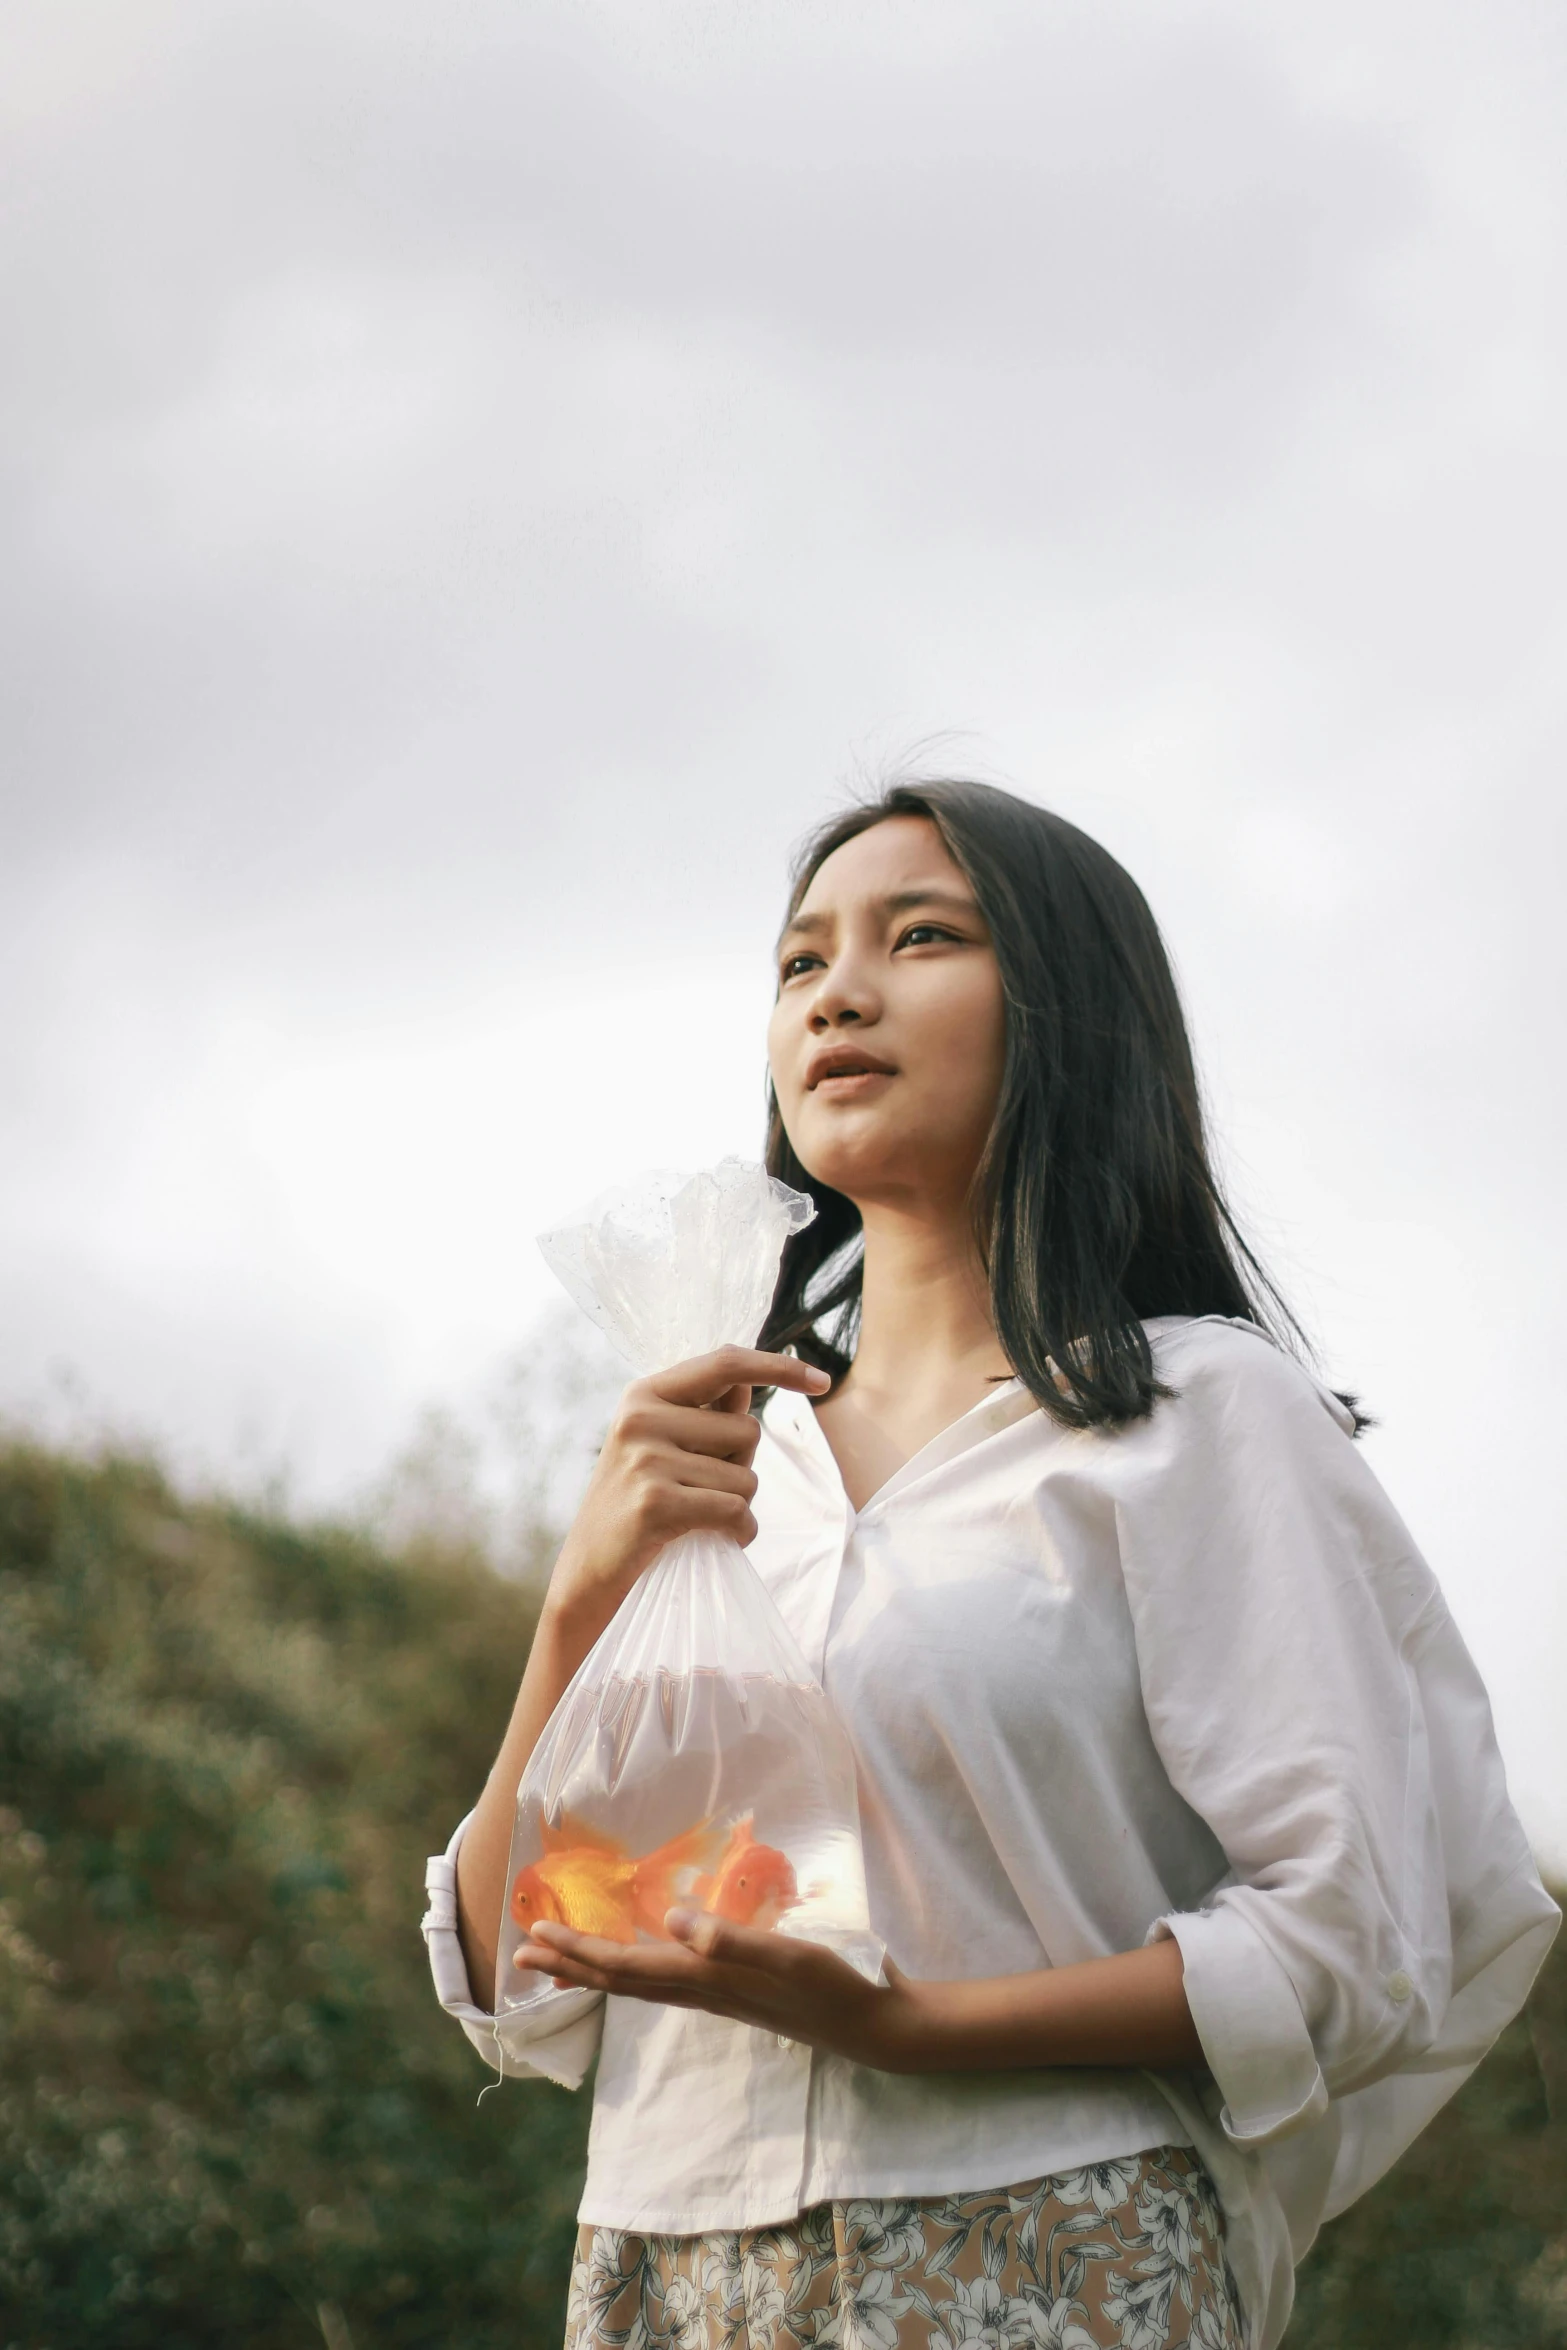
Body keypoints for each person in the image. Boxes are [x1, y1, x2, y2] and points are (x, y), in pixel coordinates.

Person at [423, 779, 1559, 2350]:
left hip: (1050, 2239)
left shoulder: (1192, 1412)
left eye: (921, 935)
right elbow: (517, 1980)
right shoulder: (733, 1455)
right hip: (661, 2268)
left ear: (1063, 1014)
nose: (840, 989)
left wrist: (906, 2027)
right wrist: (577, 1604)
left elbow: (1345, 1932)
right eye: (798, 960)